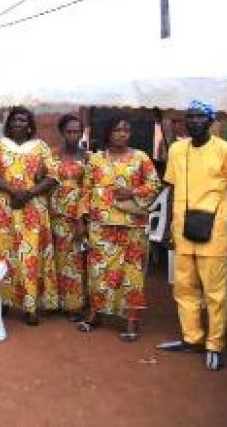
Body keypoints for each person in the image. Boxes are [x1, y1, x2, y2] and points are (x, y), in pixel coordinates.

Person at [157, 101, 227, 371]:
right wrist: (168, 228)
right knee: (183, 288)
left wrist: (218, 216)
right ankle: (191, 337)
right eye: (190, 117)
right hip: (183, 230)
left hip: (213, 233)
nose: (194, 121)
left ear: (210, 121)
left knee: (215, 293)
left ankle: (214, 345)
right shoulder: (176, 149)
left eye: (200, 117)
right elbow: (171, 188)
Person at [77, 115, 160, 341]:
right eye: (117, 130)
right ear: (108, 133)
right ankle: (95, 315)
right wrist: (81, 221)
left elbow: (154, 184)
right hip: (100, 225)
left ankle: (131, 321)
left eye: (126, 130)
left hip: (132, 226)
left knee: (132, 276)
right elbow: (85, 190)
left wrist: (133, 192)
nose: (122, 134)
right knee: (98, 272)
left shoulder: (140, 157)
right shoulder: (95, 160)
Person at [0, 106, 59, 325]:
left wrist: (28, 194)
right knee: (3, 252)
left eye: (23, 120)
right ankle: (3, 300)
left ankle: (31, 305)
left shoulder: (41, 147)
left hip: (32, 208)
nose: (18, 123)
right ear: (9, 123)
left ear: (30, 125)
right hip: (3, 208)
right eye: (15, 120)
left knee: (31, 255)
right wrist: (15, 191)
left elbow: (53, 176)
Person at [49, 114, 89, 321]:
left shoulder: (88, 157)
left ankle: (74, 305)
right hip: (53, 212)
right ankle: (54, 301)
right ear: (62, 132)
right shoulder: (51, 155)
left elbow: (89, 188)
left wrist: (81, 218)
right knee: (54, 258)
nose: (74, 135)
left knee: (74, 260)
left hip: (77, 215)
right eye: (69, 131)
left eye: (77, 131)